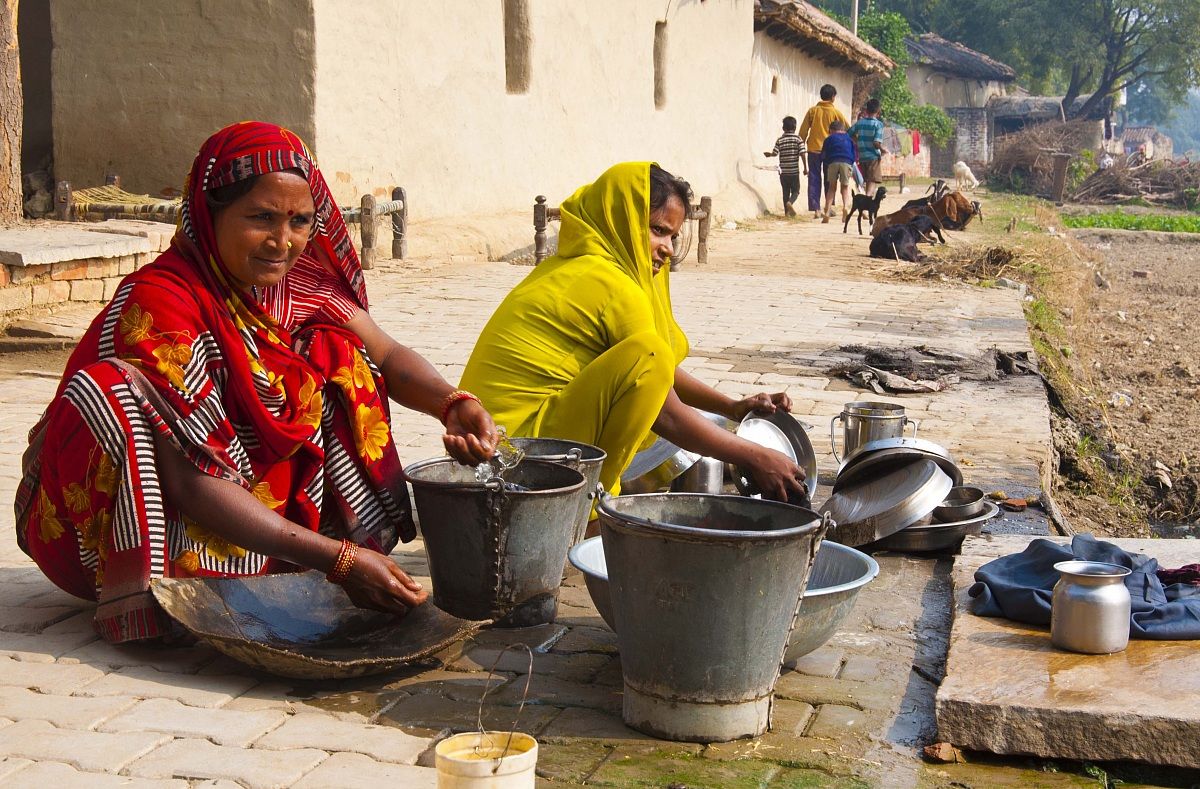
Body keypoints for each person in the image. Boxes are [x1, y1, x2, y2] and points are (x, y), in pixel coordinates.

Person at [14, 122, 499, 644]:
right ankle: (178, 585)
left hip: (243, 514)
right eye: (261, 218)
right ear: (210, 213)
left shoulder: (298, 287)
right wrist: (335, 561)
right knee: (110, 392)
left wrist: (451, 404)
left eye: (299, 221)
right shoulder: (162, 302)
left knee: (335, 353)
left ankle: (277, 561)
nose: (282, 241)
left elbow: (387, 354)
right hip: (115, 535)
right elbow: (190, 482)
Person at [459, 162, 808, 510]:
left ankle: (583, 503)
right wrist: (754, 456)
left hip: (493, 452)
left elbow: (654, 375)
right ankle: (586, 508)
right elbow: (662, 401)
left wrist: (732, 407)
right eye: (657, 230)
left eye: (673, 235)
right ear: (619, 220)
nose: (668, 248)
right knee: (649, 356)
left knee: (648, 357)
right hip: (514, 455)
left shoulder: (578, 266)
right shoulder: (611, 284)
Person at [798, 84, 849, 219]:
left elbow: (803, 131)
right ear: (833, 97)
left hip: (813, 149)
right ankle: (829, 207)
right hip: (831, 151)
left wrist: (800, 145)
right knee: (830, 179)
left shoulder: (812, 111)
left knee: (814, 178)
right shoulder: (836, 113)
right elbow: (847, 129)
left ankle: (816, 209)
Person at [763, 115, 808, 217]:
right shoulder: (798, 139)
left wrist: (769, 154)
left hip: (783, 172)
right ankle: (790, 203)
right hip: (794, 172)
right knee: (796, 191)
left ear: (783, 128)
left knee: (785, 192)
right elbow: (802, 153)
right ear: (795, 127)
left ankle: (786, 213)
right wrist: (805, 167)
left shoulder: (780, 140)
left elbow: (775, 153)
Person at [820, 120, 857, 224]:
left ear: (831, 130)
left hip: (833, 162)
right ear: (843, 129)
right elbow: (854, 154)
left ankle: (827, 212)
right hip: (846, 162)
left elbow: (824, 154)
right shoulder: (849, 139)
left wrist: (826, 162)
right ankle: (845, 208)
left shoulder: (829, 139)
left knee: (831, 187)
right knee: (844, 188)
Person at [849, 98, 887, 197]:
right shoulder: (878, 124)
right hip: (873, 157)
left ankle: (866, 199)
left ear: (867, 110)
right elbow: (876, 143)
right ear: (878, 111)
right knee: (872, 181)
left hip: (862, 156)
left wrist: (857, 141)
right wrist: (882, 150)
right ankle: (867, 200)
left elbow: (849, 133)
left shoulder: (860, 122)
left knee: (867, 180)